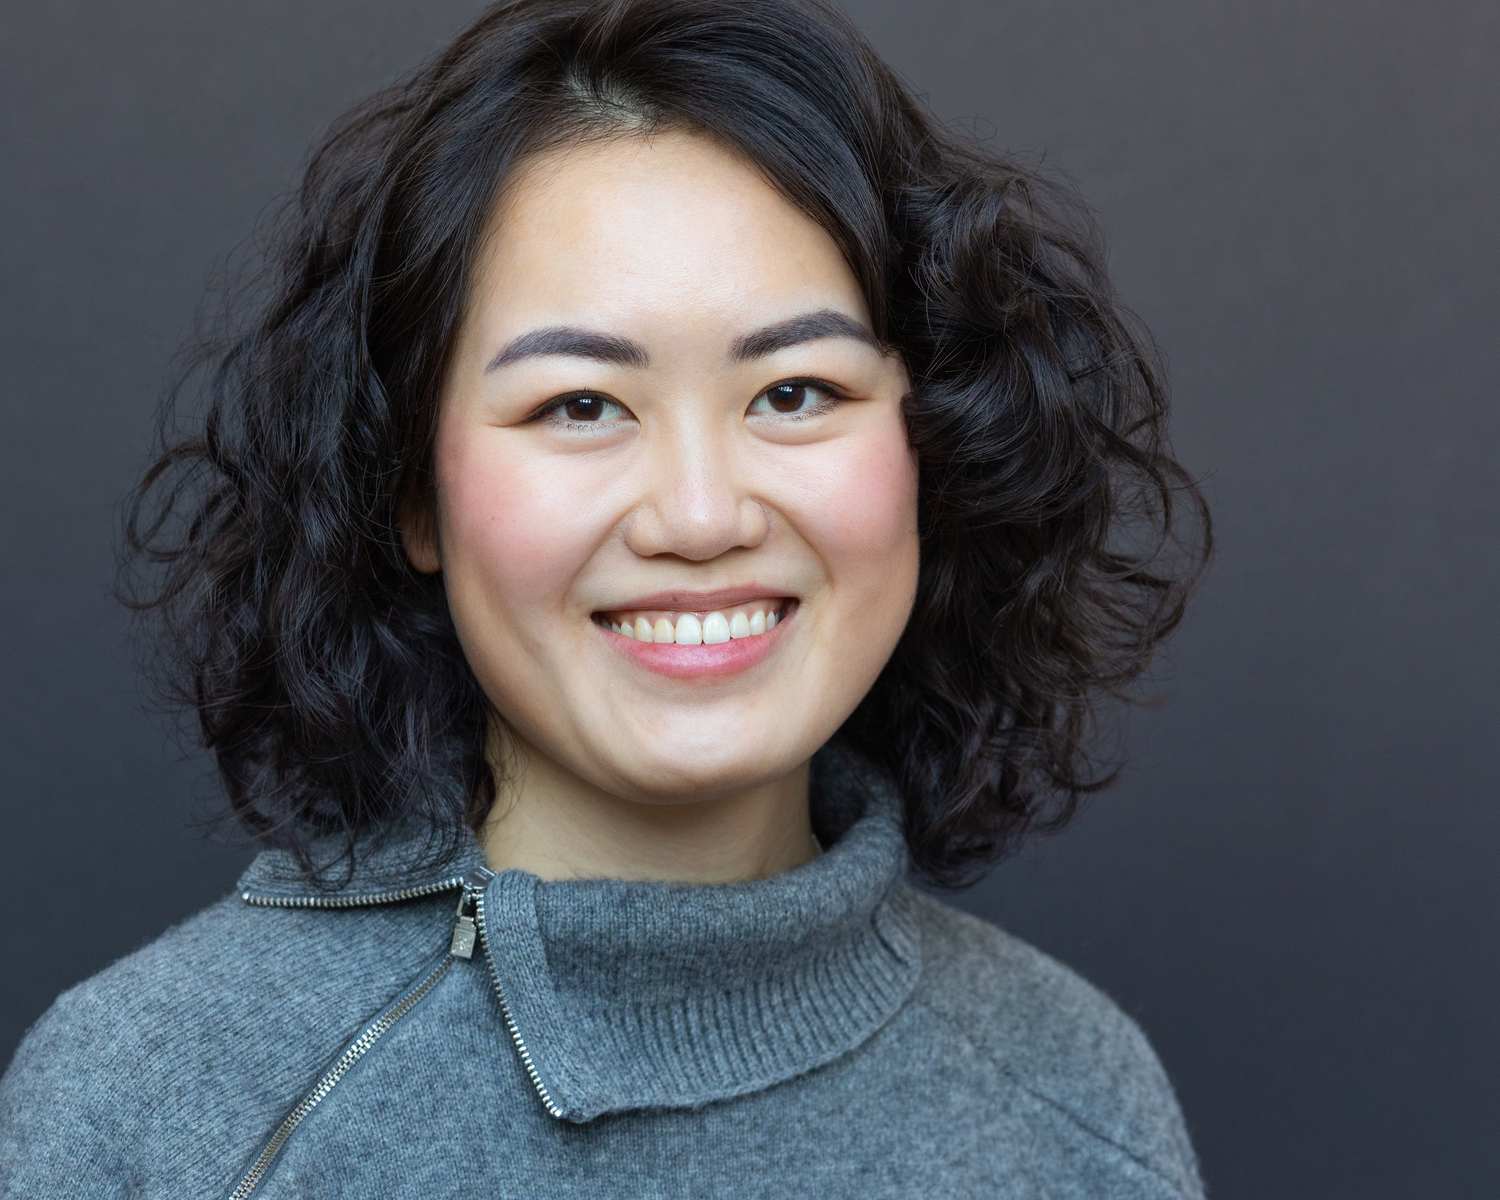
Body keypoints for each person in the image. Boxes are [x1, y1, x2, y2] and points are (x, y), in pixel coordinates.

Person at [0, 0, 1211, 1194]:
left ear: (933, 450)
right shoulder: (155, 1121)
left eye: (794, 393)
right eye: (580, 406)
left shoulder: (1077, 1102)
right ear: (410, 491)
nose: (700, 515)